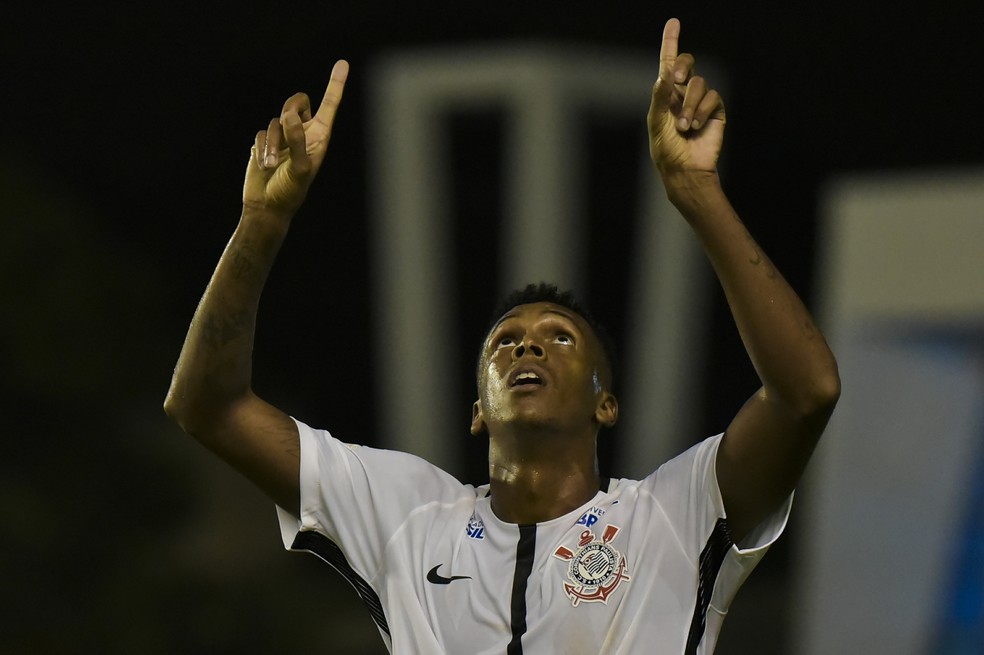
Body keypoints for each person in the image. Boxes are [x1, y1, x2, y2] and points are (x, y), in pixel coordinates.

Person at [164, 18, 840, 654]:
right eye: (504, 341)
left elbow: (805, 392)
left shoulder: (673, 514)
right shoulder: (407, 514)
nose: (527, 345)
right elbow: (208, 406)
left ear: (606, 403)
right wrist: (262, 221)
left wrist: (697, 191)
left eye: (561, 338)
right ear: (477, 411)